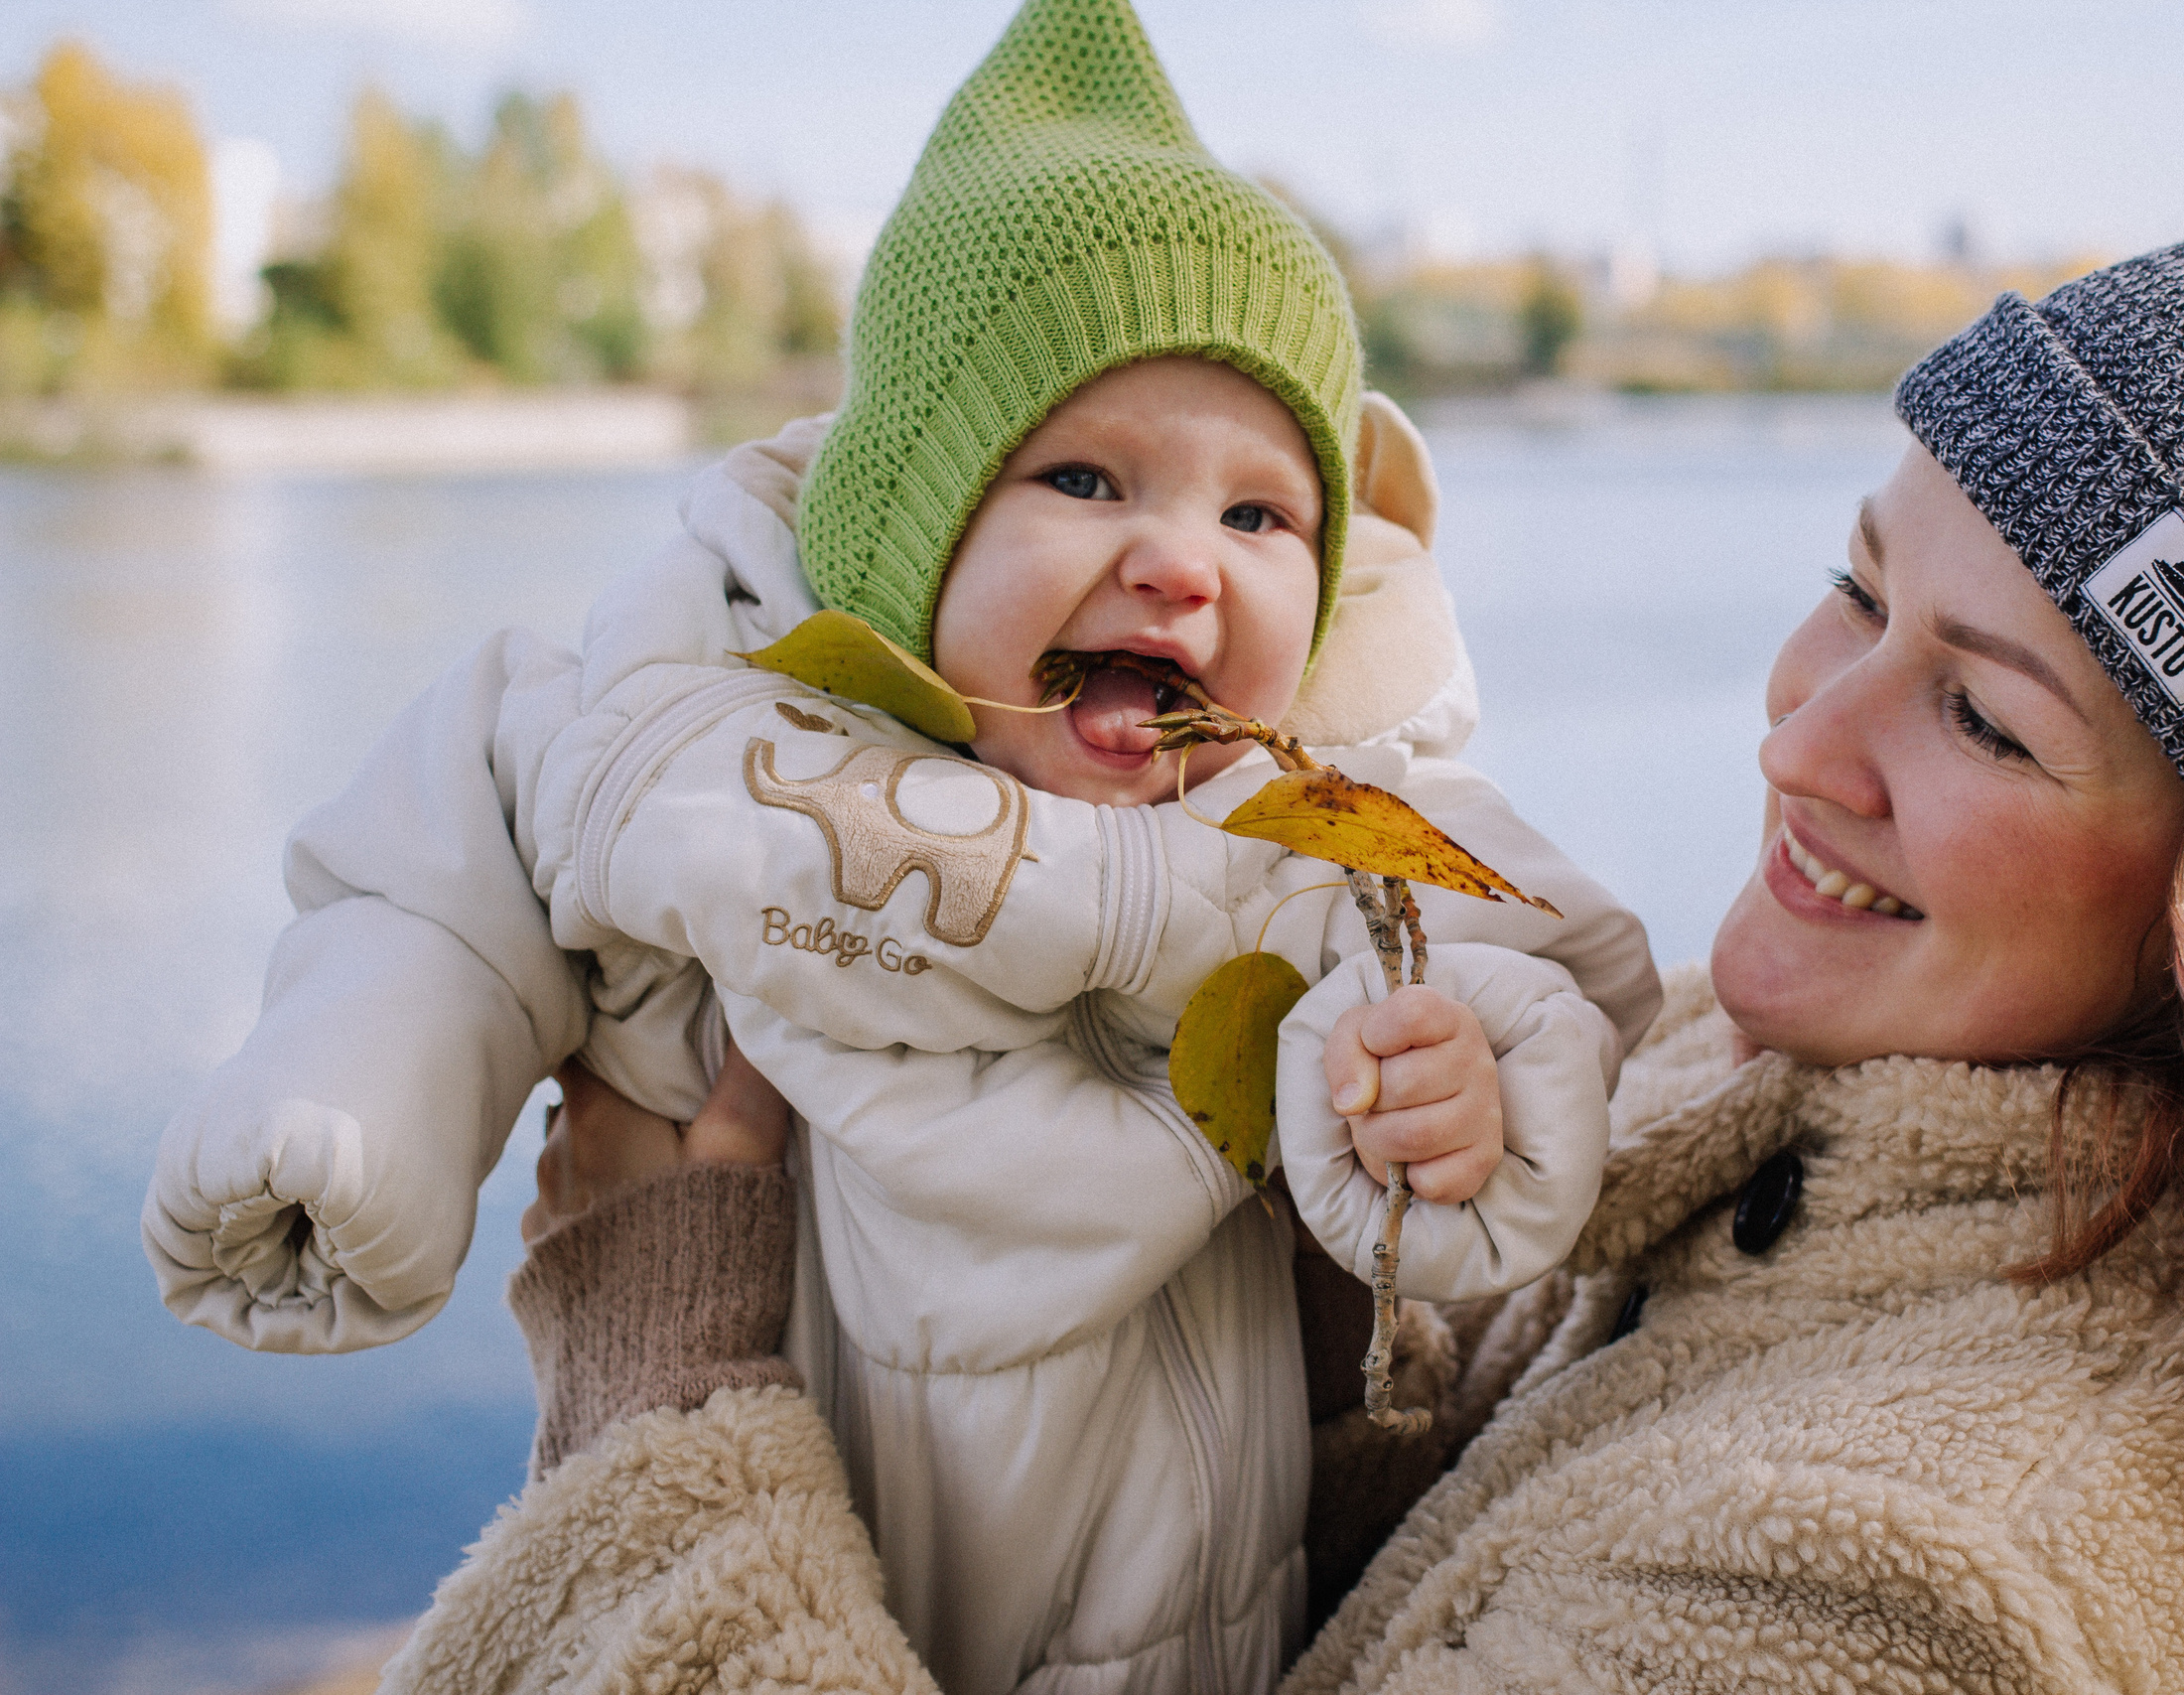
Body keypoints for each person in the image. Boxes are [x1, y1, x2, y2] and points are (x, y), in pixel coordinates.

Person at [374, 214, 2184, 1694]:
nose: (1800, 729)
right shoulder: (1798, 1090)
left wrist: (663, 1387)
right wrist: (1289, 1285)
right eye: (1849, 584)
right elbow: (1492, 1530)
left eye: (1978, 714)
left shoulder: (1928, 1577)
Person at [144, 3, 1659, 1691]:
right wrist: (355, 1115)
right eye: (1086, 479)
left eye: (1259, 513)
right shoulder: (719, 754)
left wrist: (1453, 1091)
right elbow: (435, 873)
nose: (1183, 564)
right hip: (794, 1568)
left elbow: (1555, 978)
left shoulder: (1320, 826)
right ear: (912, 529)